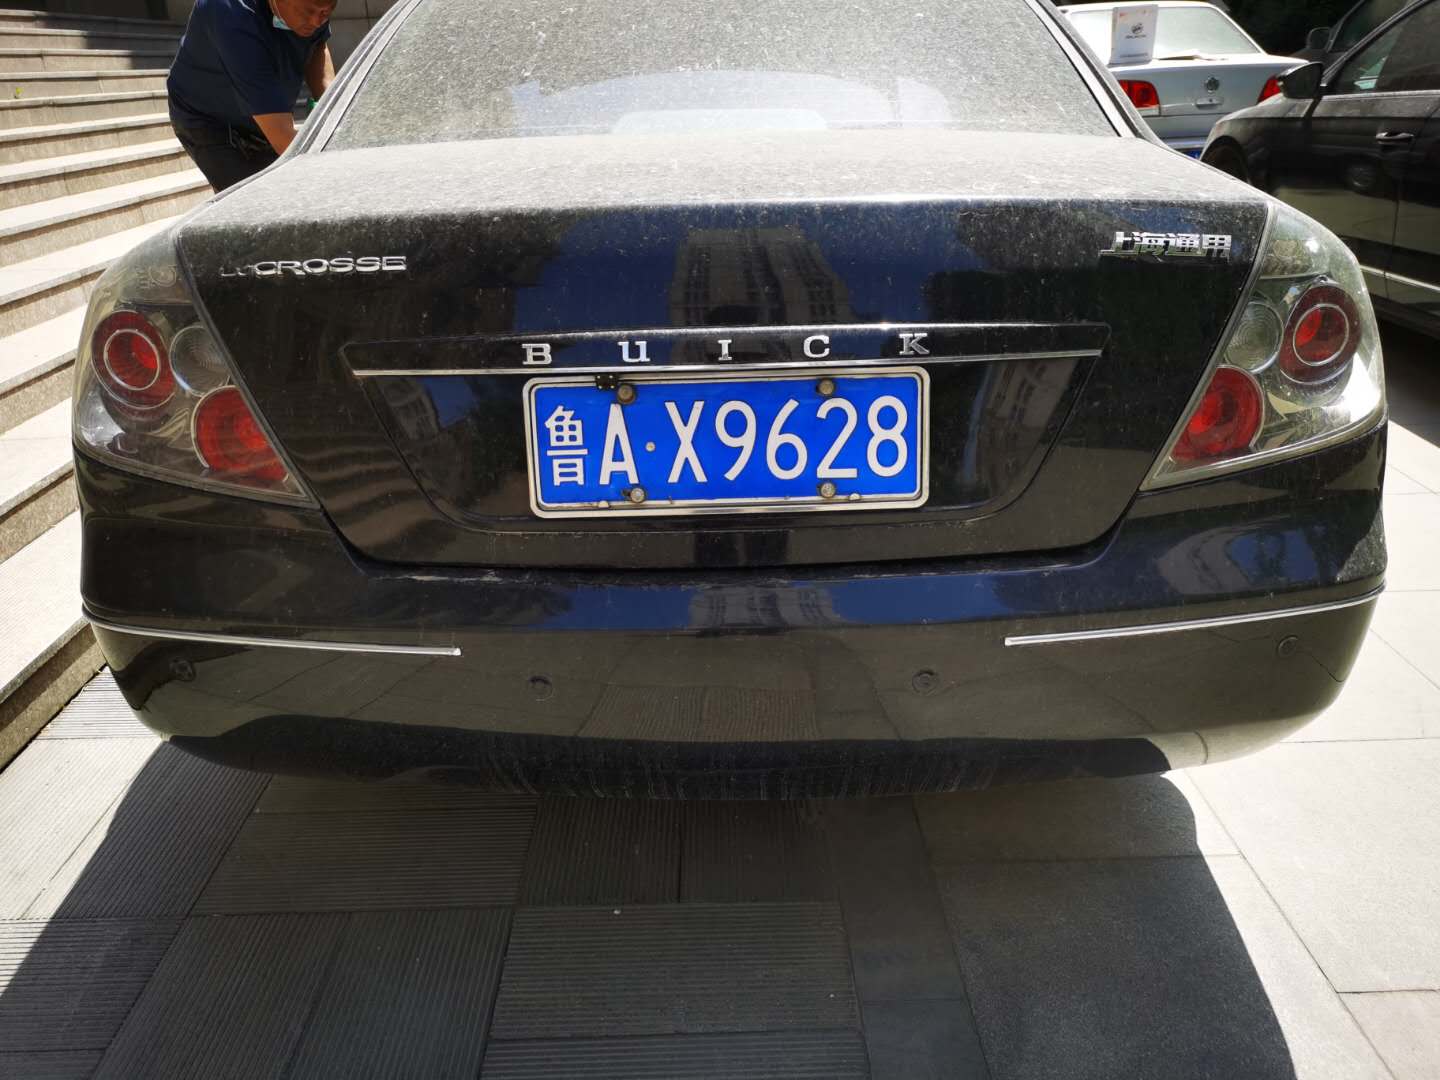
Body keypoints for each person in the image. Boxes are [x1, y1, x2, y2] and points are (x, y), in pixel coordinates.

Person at [166, 0, 337, 192]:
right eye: (308, 12)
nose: (316, 22)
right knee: (253, 197)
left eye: (326, 12)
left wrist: (331, 105)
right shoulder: (230, 14)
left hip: (263, 112)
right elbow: (283, 139)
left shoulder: (313, 10)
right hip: (208, 119)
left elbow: (317, 46)